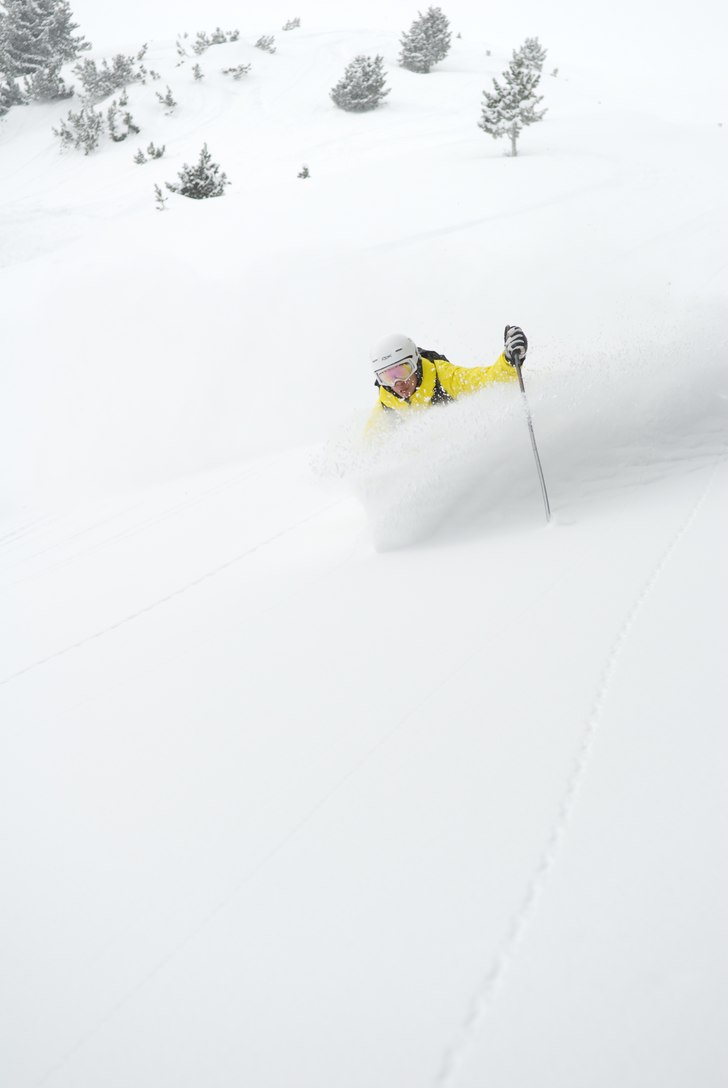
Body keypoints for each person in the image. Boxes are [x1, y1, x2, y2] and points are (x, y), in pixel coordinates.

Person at [367, 325, 528, 430]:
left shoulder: (443, 377)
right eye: (387, 377)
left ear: (415, 363)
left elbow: (485, 380)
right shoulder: (386, 404)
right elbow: (368, 448)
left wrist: (509, 361)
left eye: (402, 371)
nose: (398, 383)